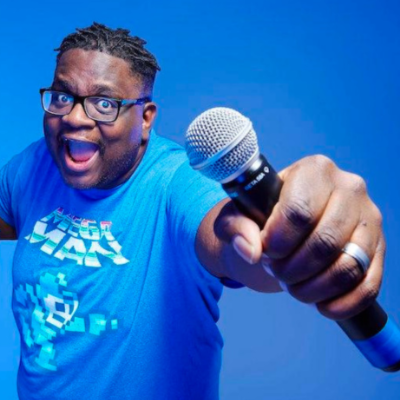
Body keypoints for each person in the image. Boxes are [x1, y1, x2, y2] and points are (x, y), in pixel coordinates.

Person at [0, 23, 385, 400]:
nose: (75, 118)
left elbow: (232, 243)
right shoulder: (36, 164)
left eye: (105, 104)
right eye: (63, 97)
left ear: (145, 118)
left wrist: (288, 245)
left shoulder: (175, 183)